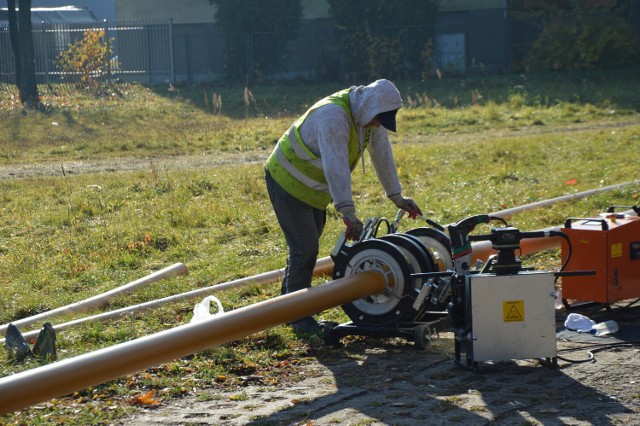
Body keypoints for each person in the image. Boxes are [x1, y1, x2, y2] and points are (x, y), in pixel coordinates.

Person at [264, 79, 422, 334]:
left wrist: (397, 197)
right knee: (305, 248)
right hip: (287, 181)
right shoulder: (334, 117)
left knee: (306, 249)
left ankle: (289, 303)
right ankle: (297, 317)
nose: (379, 124)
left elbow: (382, 155)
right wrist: (347, 211)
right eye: (379, 119)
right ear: (371, 107)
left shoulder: (370, 117)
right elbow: (335, 165)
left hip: (313, 190)